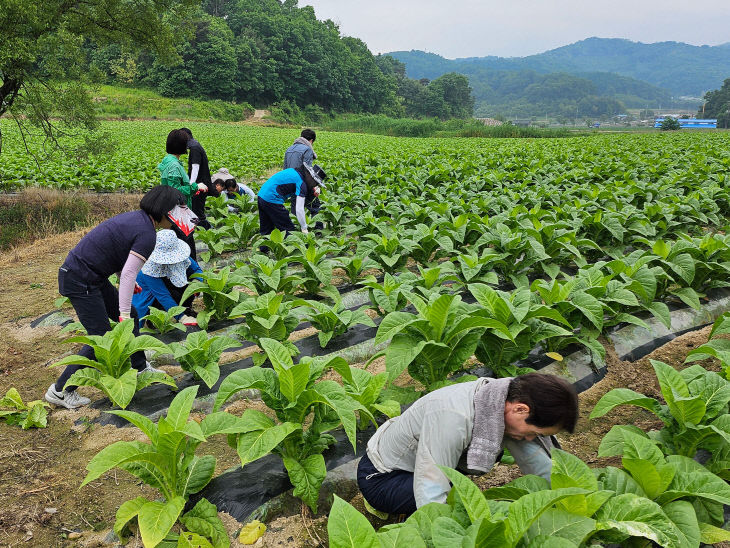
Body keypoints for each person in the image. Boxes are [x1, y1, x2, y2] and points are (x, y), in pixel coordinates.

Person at [357, 373, 579, 516]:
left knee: (460, 490)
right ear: (520, 409)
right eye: (534, 433)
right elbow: (431, 491)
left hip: (417, 465)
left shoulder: (505, 398)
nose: (531, 438)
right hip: (383, 477)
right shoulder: (452, 417)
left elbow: (537, 462)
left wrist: (574, 503)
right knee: (458, 502)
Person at [45, 186, 185, 409]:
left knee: (135, 314)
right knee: (101, 339)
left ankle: (139, 368)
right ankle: (61, 390)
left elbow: (119, 256)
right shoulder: (147, 234)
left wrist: (129, 289)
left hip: (92, 277)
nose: (179, 218)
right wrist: (123, 314)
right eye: (177, 211)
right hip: (80, 280)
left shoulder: (139, 220)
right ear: (164, 210)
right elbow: (129, 273)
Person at [133, 229, 203, 327]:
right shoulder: (149, 268)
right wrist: (183, 318)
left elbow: (197, 270)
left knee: (187, 287)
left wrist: (196, 285)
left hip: (167, 286)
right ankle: (154, 320)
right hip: (150, 297)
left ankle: (184, 309)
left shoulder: (182, 256)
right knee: (171, 296)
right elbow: (163, 296)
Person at [158, 129, 204, 260]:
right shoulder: (173, 165)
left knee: (184, 245)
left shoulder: (170, 161)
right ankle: (192, 277)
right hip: (178, 213)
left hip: (177, 211)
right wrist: (196, 187)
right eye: (186, 143)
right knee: (187, 249)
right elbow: (175, 190)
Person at [257, 164, 327, 237]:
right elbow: (299, 209)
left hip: (261, 195)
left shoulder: (296, 172)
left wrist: (312, 190)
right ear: (311, 177)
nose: (315, 185)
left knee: (266, 230)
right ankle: (294, 248)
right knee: (288, 230)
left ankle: (264, 248)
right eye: (315, 183)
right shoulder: (301, 183)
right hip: (272, 199)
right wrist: (304, 228)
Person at [284, 129, 323, 228]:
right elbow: (308, 170)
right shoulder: (307, 149)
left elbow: (285, 168)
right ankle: (318, 230)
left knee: (295, 207)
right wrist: (313, 187)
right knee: (315, 205)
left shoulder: (289, 149)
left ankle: (295, 231)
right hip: (301, 181)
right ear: (311, 140)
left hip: (290, 181)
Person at [180, 128, 214, 230]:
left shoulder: (194, 148)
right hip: (201, 183)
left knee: (197, 211)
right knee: (197, 210)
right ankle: (205, 229)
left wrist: (192, 185)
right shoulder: (196, 145)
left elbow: (195, 167)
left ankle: (208, 230)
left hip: (200, 185)